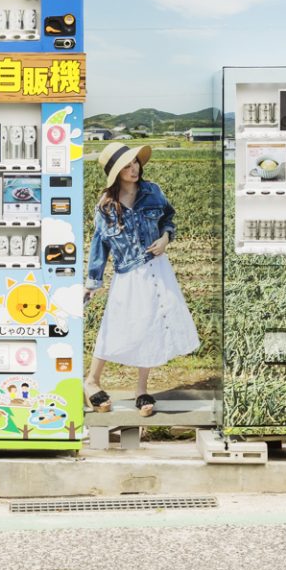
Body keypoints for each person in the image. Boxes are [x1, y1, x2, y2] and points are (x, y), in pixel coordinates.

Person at [84, 141, 199, 417]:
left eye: (135, 161)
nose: (133, 168)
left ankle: (141, 388)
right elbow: (99, 244)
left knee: (153, 323)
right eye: (126, 165)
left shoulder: (152, 192)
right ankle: (91, 380)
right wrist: (92, 283)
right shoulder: (106, 206)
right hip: (128, 274)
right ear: (115, 173)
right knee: (115, 323)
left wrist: (165, 238)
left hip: (158, 267)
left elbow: (169, 217)